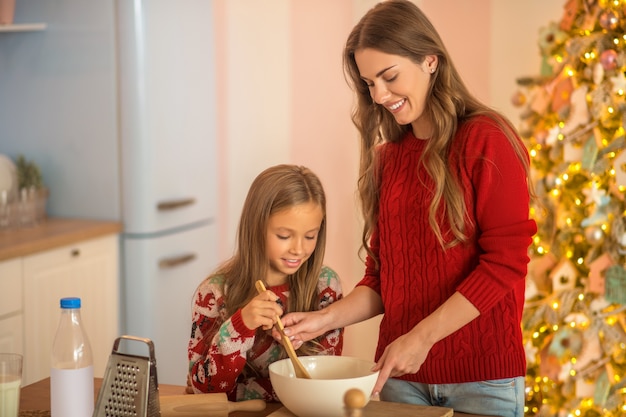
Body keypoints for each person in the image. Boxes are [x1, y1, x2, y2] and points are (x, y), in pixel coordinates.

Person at [280, 2, 537, 416]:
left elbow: (505, 265)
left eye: (390, 76)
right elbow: (384, 278)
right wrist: (325, 319)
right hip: (402, 382)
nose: (380, 95)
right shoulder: (390, 159)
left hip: (482, 382)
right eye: (369, 83)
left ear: (430, 60)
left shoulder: (488, 141)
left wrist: (421, 338)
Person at [187, 164, 343, 402]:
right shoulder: (214, 293)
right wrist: (239, 327)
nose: (299, 249)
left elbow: (322, 383)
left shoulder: (325, 286)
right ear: (256, 227)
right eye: (284, 236)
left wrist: (241, 391)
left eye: (310, 236)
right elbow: (203, 390)